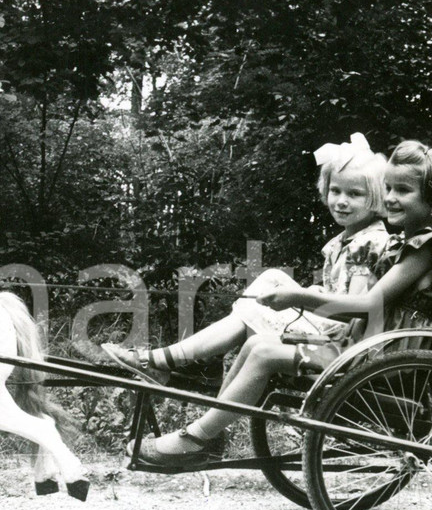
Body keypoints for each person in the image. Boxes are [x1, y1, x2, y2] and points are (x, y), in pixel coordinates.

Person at [130, 139, 432, 465]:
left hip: (380, 357)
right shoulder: (403, 243)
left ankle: (197, 438)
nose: (390, 198)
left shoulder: (426, 248)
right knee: (257, 343)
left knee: (264, 353)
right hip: (364, 346)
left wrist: (298, 297)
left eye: (403, 190)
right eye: (388, 188)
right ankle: (210, 435)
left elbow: (368, 305)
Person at [103, 132, 390, 385]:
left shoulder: (369, 243)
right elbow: (340, 294)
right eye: (335, 191)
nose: (341, 201)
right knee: (271, 279)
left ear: (376, 197)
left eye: (355, 194)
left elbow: (354, 310)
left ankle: (172, 360)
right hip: (333, 330)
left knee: (260, 301)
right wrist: (315, 294)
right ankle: (189, 360)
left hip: (342, 343)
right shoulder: (347, 240)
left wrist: (302, 298)